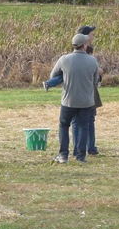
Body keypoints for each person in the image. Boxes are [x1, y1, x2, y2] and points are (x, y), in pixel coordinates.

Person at [50, 34, 99, 164]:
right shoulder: (92, 61)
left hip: (68, 100)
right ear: (84, 45)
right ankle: (81, 156)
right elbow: (95, 80)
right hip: (86, 101)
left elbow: (53, 75)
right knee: (84, 127)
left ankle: (63, 155)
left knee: (64, 125)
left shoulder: (64, 59)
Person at [43, 25, 97, 91]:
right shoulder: (86, 50)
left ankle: (49, 83)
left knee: (65, 75)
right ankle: (49, 83)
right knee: (65, 75)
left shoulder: (72, 51)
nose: (93, 37)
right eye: (92, 35)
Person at [72, 44, 102, 156]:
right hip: (88, 98)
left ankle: (77, 149)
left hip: (74, 97)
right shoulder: (91, 62)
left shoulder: (72, 61)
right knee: (88, 122)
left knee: (75, 123)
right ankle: (90, 148)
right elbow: (95, 81)